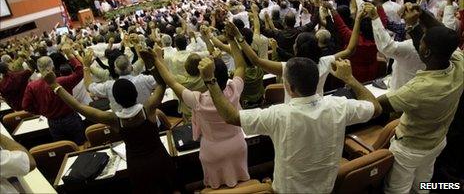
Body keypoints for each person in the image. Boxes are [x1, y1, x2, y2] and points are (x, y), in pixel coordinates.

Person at [199, 55, 382, 193]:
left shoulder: (278, 115)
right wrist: (349, 78)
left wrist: (210, 80)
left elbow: (231, 117)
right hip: (326, 188)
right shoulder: (339, 106)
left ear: (290, 88)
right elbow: (376, 108)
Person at [44, 60, 176, 194]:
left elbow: (78, 107)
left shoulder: (114, 119)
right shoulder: (148, 109)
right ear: (135, 94)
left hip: (136, 165)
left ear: (117, 101)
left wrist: (54, 85)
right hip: (160, 158)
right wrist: (152, 62)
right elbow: (161, 84)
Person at [378, 4, 463, 194]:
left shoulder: (418, 89)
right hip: (437, 143)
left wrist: (350, 78)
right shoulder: (459, 63)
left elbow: (377, 106)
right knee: (423, 185)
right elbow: (444, 36)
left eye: (421, 42)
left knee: (398, 190)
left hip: (410, 150)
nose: (418, 42)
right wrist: (421, 16)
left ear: (426, 52)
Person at [152, 33, 250, 189]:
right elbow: (239, 66)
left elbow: (170, 81)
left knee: (216, 187)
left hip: (213, 151)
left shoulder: (197, 100)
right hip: (238, 144)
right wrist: (232, 39)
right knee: (240, 183)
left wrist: (157, 58)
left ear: (205, 78)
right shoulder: (234, 88)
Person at [22, 46, 86, 145]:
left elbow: (26, 106)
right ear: (52, 66)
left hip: (52, 122)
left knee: (64, 148)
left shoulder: (32, 86)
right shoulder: (62, 81)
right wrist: (70, 55)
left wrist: (41, 111)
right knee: (81, 144)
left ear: (38, 68)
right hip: (70, 118)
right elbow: (80, 71)